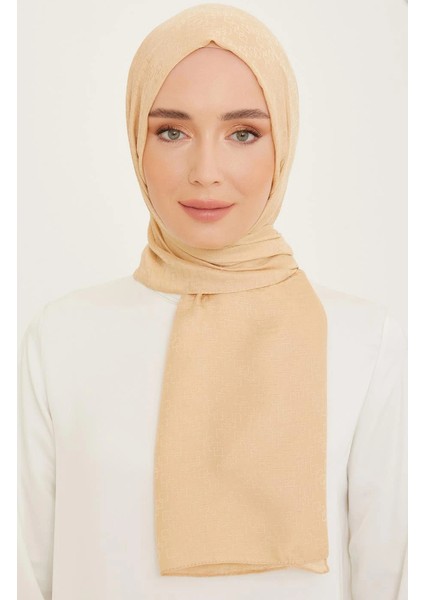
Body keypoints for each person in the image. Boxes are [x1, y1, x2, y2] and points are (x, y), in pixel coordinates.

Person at [18, 4, 407, 599]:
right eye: (171, 132)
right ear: (136, 139)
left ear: (283, 141)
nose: (206, 171)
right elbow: (25, 573)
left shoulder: (365, 342)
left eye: (243, 133)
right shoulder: (60, 339)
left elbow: (391, 577)